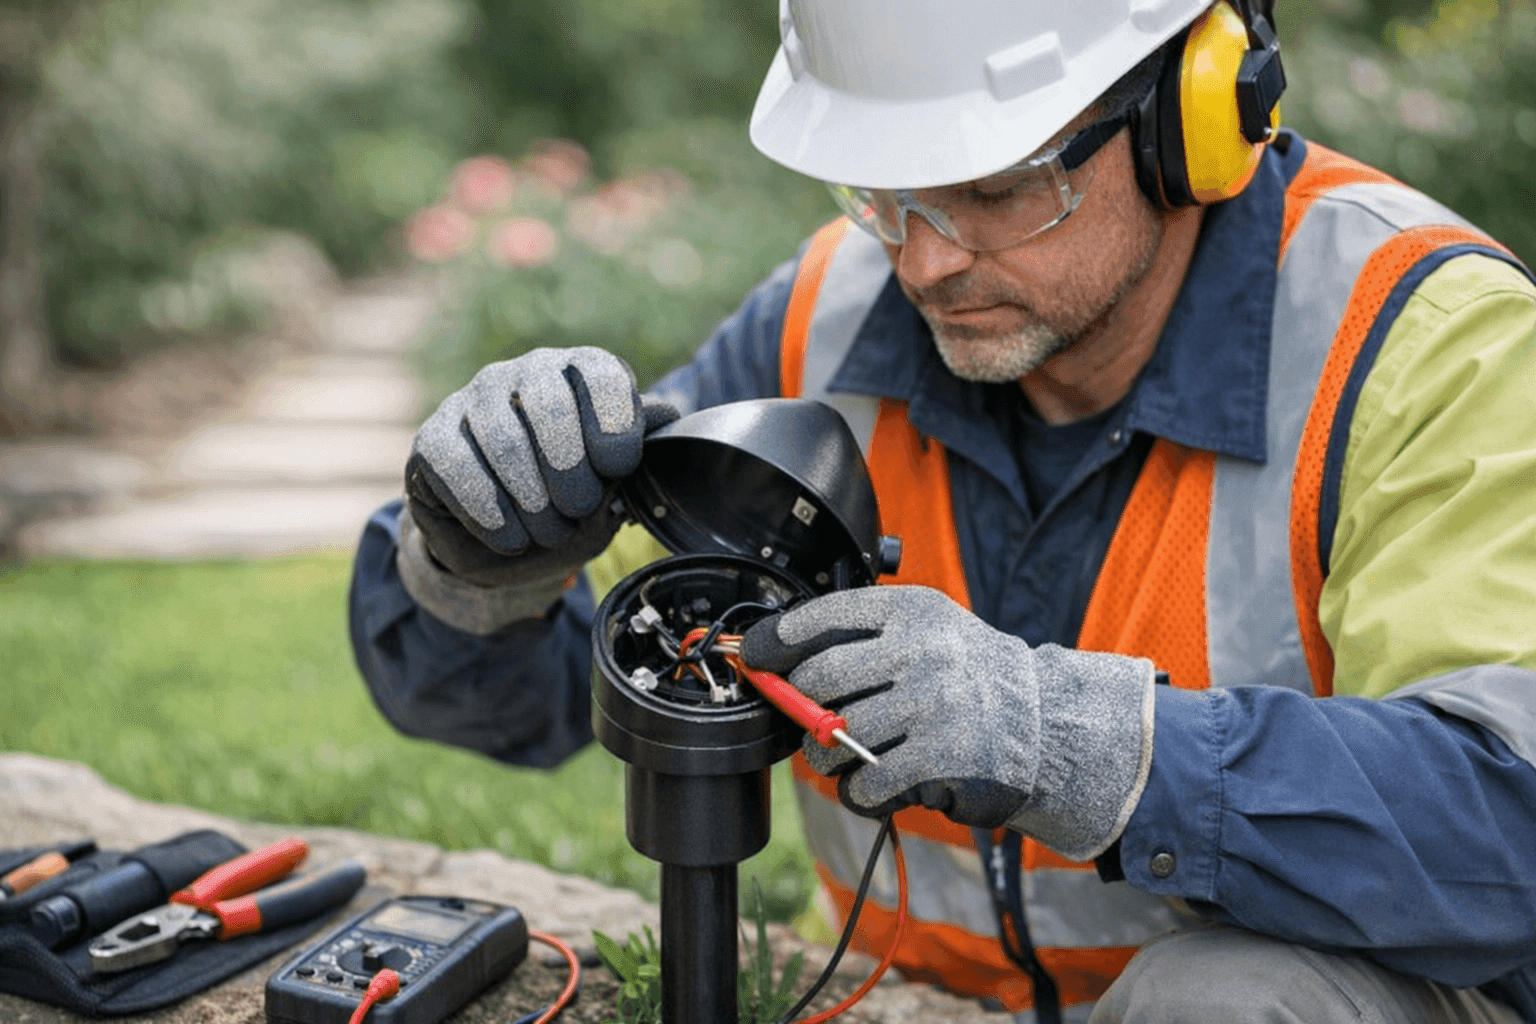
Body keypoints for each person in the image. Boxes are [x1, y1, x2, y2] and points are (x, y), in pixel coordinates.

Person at [349, 1, 1536, 1020]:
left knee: (1220, 1000)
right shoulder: (826, 316)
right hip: (919, 988)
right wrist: (479, 555)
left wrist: (1093, 747)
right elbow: (523, 701)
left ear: (1193, 120)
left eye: (996, 188)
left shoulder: (1423, 346)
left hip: (1353, 996)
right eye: (887, 190)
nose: (924, 262)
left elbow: (1508, 823)